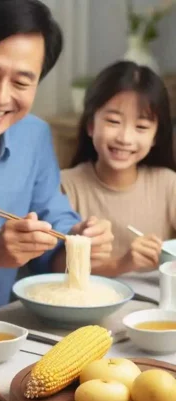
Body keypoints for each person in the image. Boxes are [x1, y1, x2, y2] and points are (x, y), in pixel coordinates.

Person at [0, 0, 114, 312]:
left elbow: (52, 229)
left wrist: (78, 241)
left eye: (22, 82)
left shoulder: (33, 136)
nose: (0, 96)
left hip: (0, 334)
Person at [62, 61, 176, 276]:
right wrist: (123, 263)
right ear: (90, 125)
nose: (125, 138)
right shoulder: (66, 186)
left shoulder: (168, 184)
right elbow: (59, 270)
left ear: (156, 137)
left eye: (141, 127)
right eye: (113, 121)